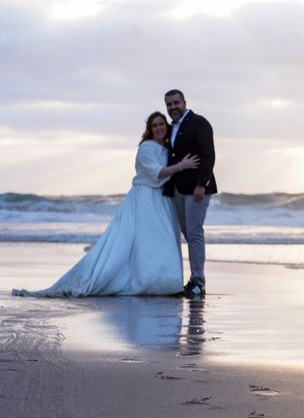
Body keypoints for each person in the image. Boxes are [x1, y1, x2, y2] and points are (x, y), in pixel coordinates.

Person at [12, 112, 199, 297]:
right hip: (145, 199)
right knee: (146, 241)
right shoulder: (146, 148)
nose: (159, 128)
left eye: (161, 124)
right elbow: (156, 173)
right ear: (149, 130)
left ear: (166, 126)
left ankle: (163, 282)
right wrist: (182, 165)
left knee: (162, 240)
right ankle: (147, 282)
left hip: (163, 199)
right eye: (154, 125)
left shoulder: (167, 149)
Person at [162, 89, 217, 298]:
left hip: (197, 189)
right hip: (178, 188)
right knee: (187, 233)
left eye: (176, 103)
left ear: (184, 102)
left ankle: (197, 282)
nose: (173, 107)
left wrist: (201, 184)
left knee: (194, 233)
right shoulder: (171, 128)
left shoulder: (199, 123)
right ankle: (193, 280)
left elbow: (208, 155)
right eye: (169, 104)